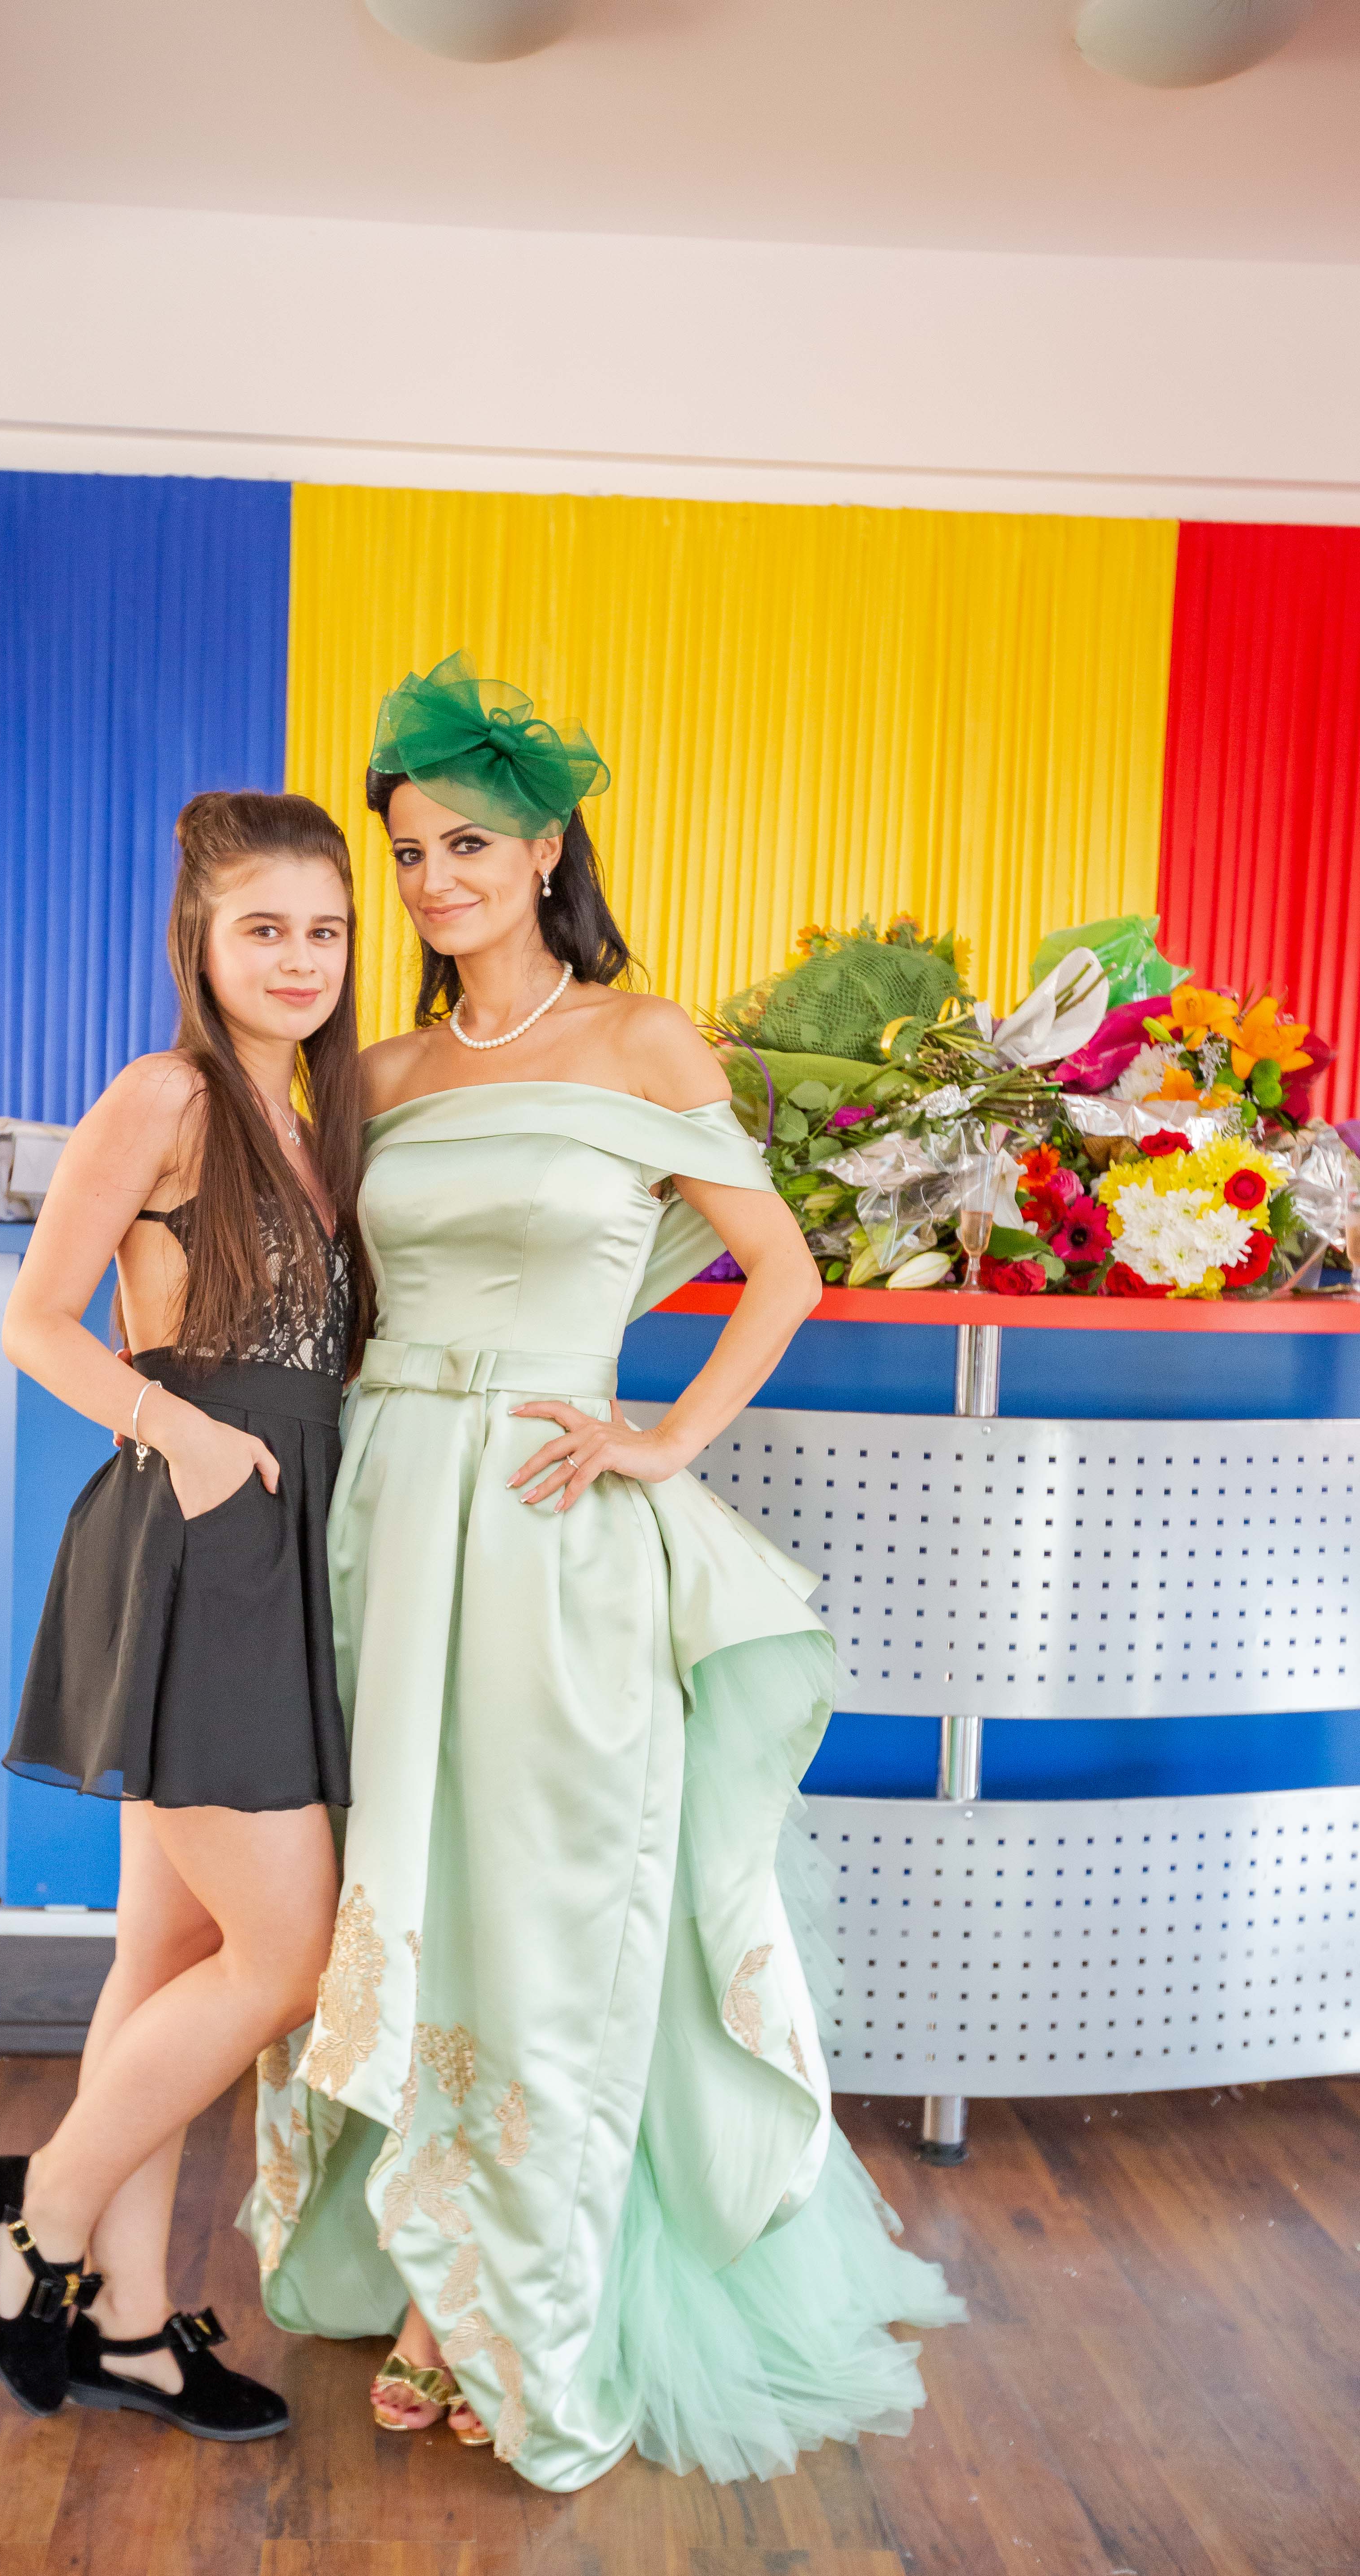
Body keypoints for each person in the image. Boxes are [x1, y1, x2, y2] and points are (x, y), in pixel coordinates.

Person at [241, 655, 963, 2491]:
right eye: (410, 854)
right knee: (394, 1885)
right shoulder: (376, 1072)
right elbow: (329, 1302)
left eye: (468, 846)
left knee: (546, 1906)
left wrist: (664, 1438)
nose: (433, 881)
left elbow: (783, 1273)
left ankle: (511, 2302)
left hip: (551, 1524)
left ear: (548, 850)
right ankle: (423, 2265)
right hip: (386, 1515)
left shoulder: (646, 1043)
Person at [0, 789, 370, 2442]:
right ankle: (40, 2213)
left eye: (325, 929)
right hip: (196, 1539)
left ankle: (128, 2326)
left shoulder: (320, 1120)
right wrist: (180, 1432)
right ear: (200, 938)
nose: (300, 958)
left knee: (172, 1953)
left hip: (283, 1546)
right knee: (288, 1959)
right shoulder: (169, 1095)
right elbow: (36, 1322)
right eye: (264, 928)